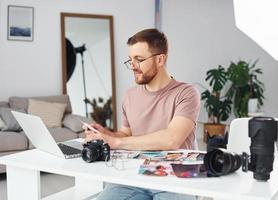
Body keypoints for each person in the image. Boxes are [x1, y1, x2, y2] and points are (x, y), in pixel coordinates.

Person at [84, 28, 200, 200]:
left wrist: (116, 141)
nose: (133, 66)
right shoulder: (130, 95)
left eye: (139, 60)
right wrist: (105, 134)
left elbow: (172, 139)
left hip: (176, 176)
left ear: (160, 59)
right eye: (130, 60)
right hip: (134, 174)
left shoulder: (186, 93)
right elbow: (126, 135)